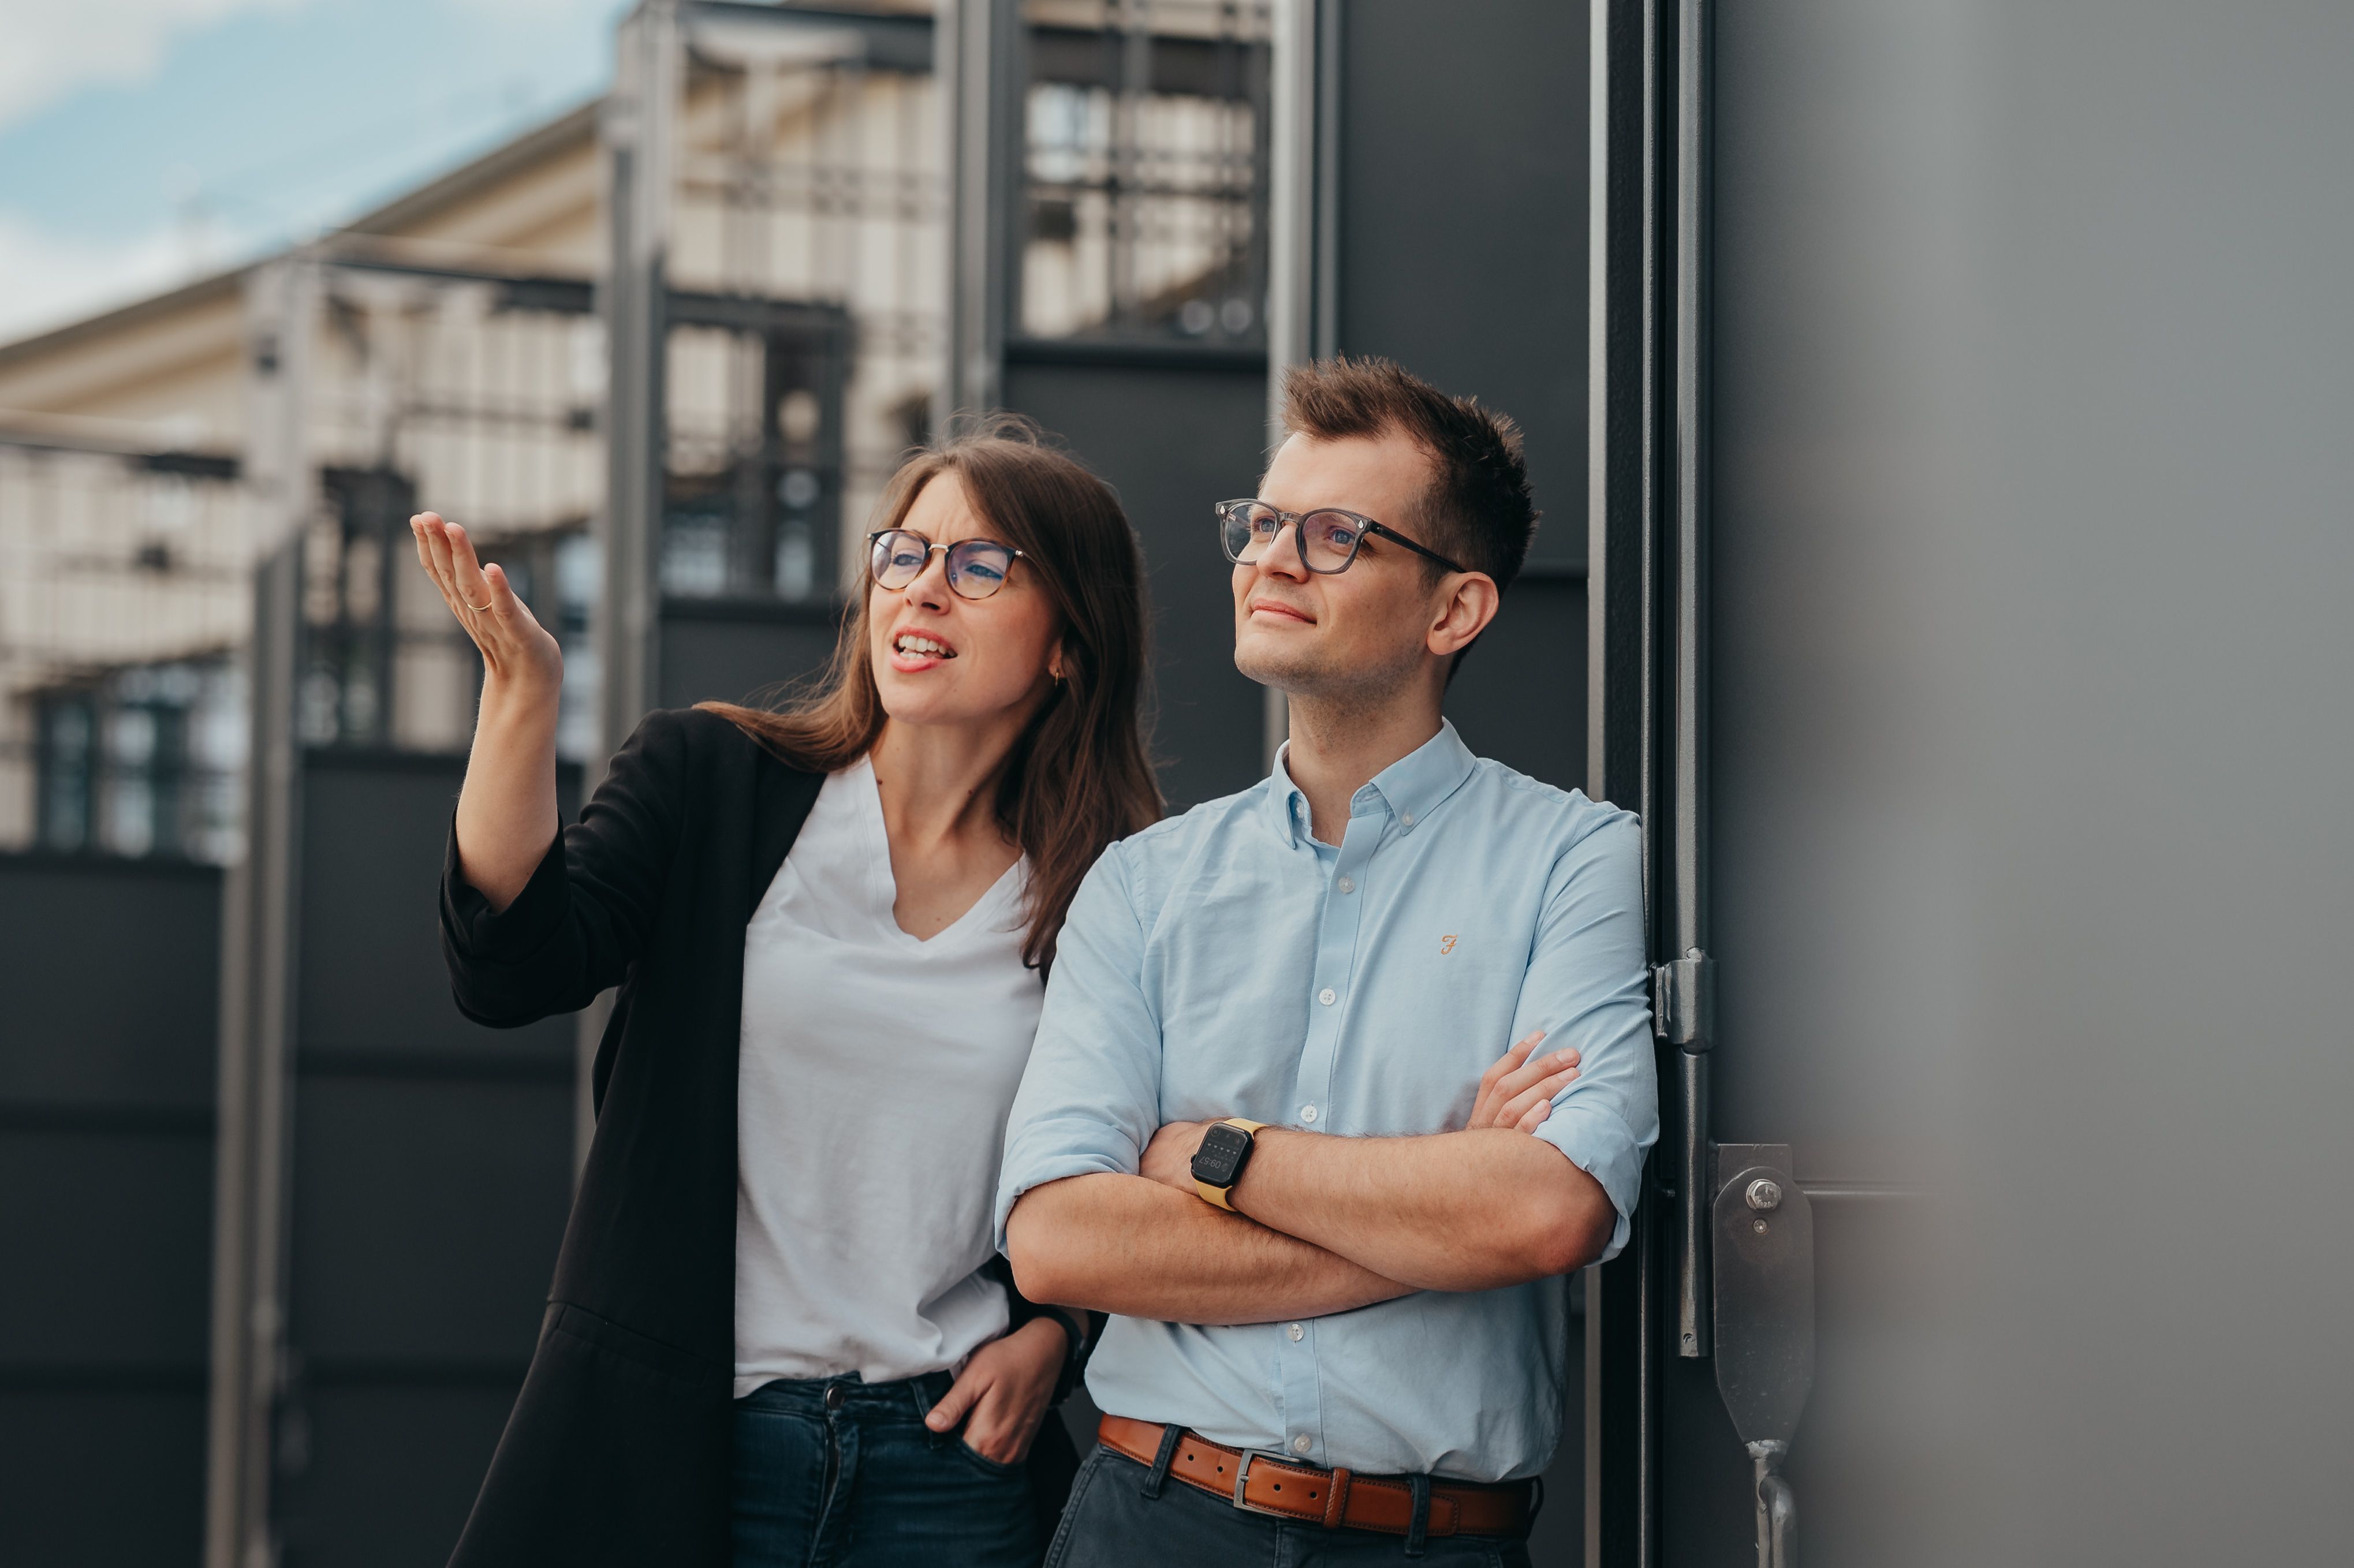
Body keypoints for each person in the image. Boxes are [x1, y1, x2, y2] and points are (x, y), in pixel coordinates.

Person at [413, 419, 1159, 1568]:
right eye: (903, 555)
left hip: (951, 1460)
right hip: (689, 1443)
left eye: (979, 565)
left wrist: (1058, 1327)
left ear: (1069, 640)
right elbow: (513, 965)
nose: (923, 591)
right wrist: (523, 696)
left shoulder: (1110, 890)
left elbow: (1138, 1158)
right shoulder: (709, 780)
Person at [995, 359, 1660, 1565]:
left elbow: (1547, 1206)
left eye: (1334, 534)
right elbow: (1056, 1239)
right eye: (1260, 523)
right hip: (1148, 1521)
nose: (1270, 558)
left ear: (1452, 610)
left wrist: (1212, 1156)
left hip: (1429, 1543)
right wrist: (1434, 1209)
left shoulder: (1577, 860)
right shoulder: (1143, 885)